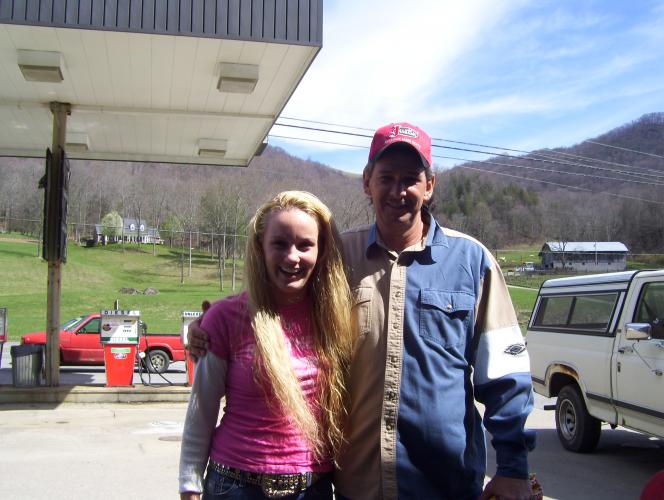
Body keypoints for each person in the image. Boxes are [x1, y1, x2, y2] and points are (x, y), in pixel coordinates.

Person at [189, 123, 536, 500]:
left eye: (410, 178)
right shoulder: (338, 256)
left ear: (430, 186)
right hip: (358, 485)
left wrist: (513, 467)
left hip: (446, 484)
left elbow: (505, 375)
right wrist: (209, 325)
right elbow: (278, 295)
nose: (397, 190)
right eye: (386, 177)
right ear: (367, 181)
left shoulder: (472, 261)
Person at [179, 191, 354, 500]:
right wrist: (189, 487)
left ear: (321, 250)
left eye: (305, 245)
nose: (292, 256)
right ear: (260, 248)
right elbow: (201, 412)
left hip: (312, 488)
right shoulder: (225, 317)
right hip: (234, 486)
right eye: (280, 243)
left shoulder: (336, 317)